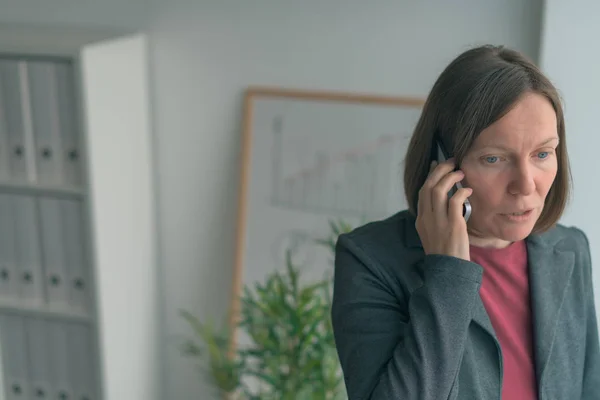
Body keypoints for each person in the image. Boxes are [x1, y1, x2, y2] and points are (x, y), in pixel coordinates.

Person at [330, 44, 600, 400]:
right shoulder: (370, 260)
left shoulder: (569, 248)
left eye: (542, 154)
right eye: (493, 158)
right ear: (443, 164)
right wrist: (449, 272)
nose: (525, 184)